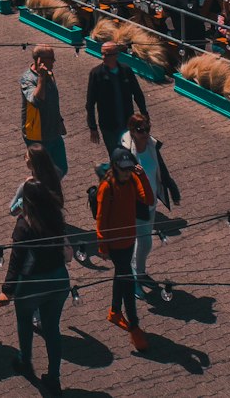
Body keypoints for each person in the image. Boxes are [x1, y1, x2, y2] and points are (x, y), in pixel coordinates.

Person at [0, 179, 71, 393]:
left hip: (31, 284)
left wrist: (6, 290)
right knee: (52, 329)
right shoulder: (56, 216)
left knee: (24, 322)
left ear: (26, 200)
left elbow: (16, 261)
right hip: (59, 280)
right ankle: (54, 377)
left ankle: (25, 360)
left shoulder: (24, 225)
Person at [95, 146, 154, 352]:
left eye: (130, 169)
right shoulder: (107, 187)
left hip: (129, 240)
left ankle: (114, 312)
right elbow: (101, 219)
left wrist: (142, 175)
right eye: (124, 169)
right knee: (127, 281)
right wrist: (102, 245)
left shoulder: (131, 180)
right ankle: (135, 326)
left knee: (121, 275)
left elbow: (147, 199)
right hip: (114, 245)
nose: (127, 172)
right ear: (115, 167)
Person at [119, 112, 180, 285]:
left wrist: (173, 190)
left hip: (151, 204)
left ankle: (137, 270)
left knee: (143, 240)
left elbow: (162, 169)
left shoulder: (152, 146)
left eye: (147, 129)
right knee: (145, 241)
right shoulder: (125, 153)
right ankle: (136, 273)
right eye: (141, 130)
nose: (145, 133)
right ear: (132, 131)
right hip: (136, 205)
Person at [86, 42, 148, 158]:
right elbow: (90, 103)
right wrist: (92, 127)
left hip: (127, 123)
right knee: (116, 156)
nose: (103, 57)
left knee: (131, 154)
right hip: (108, 126)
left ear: (116, 55)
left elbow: (137, 94)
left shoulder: (126, 71)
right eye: (102, 54)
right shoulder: (96, 74)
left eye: (107, 54)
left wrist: (144, 114)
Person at [20, 45, 68, 177]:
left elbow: (53, 101)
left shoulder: (50, 74)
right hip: (37, 135)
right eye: (51, 58)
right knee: (41, 172)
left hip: (53, 131)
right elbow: (36, 101)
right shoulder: (27, 79)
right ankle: (39, 193)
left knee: (61, 168)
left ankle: (49, 189)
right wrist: (41, 77)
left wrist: (60, 121)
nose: (54, 61)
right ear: (40, 60)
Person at [9, 143, 64, 214]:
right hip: (55, 216)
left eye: (26, 157)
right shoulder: (56, 173)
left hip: (37, 220)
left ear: (32, 163)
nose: (25, 159)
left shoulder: (29, 185)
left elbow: (13, 211)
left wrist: (24, 195)